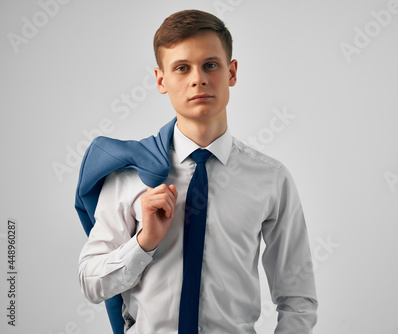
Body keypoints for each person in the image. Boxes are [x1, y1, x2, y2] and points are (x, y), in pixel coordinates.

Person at [77, 9, 317, 333]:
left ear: (231, 72)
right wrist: (144, 242)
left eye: (210, 65)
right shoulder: (131, 176)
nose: (198, 79)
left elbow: (297, 298)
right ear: (161, 79)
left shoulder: (271, 180)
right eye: (181, 68)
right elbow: (92, 283)